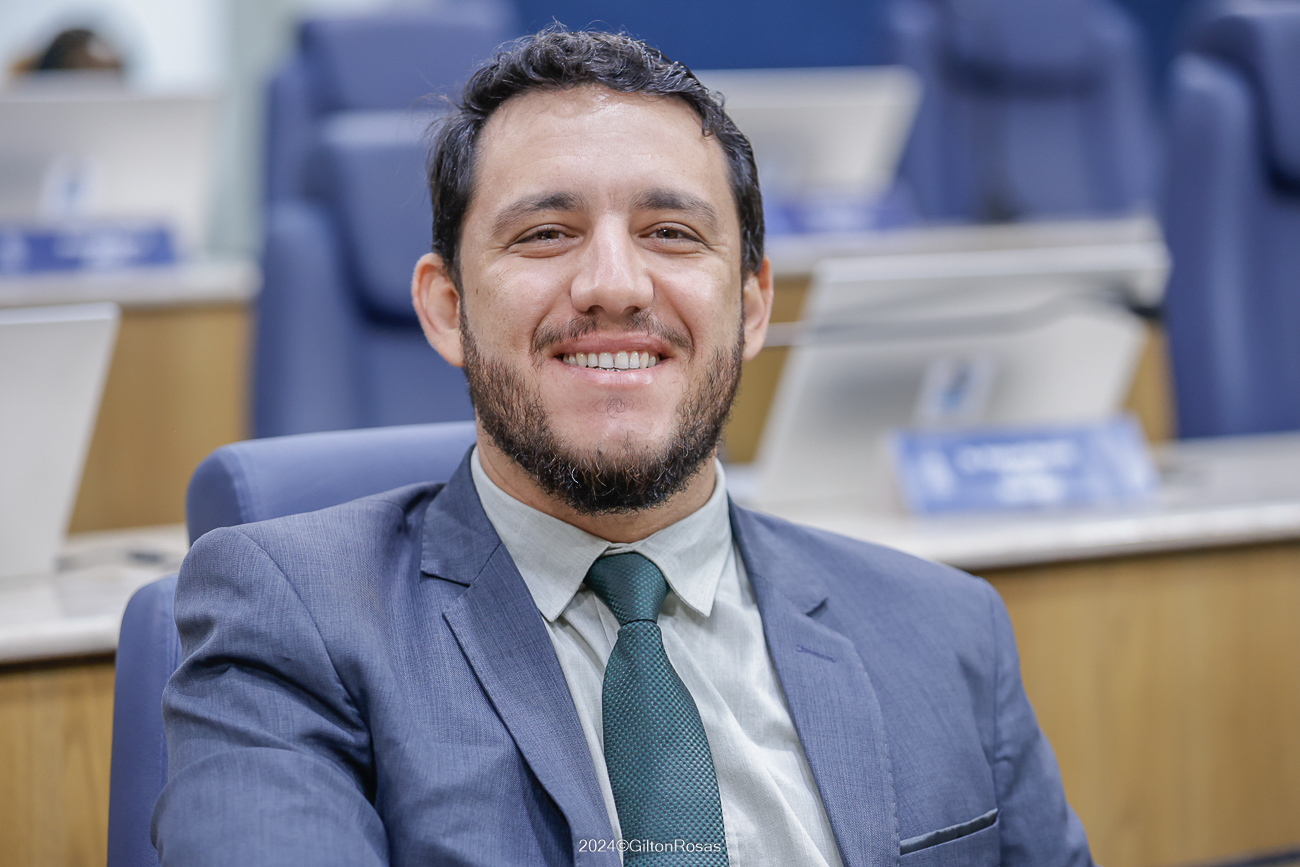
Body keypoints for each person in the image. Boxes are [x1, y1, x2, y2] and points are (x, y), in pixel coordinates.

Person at [154, 28, 1094, 867]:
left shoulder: (947, 630)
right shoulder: (292, 624)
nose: (615, 283)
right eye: (547, 233)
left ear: (752, 305)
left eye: (671, 233)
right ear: (446, 308)